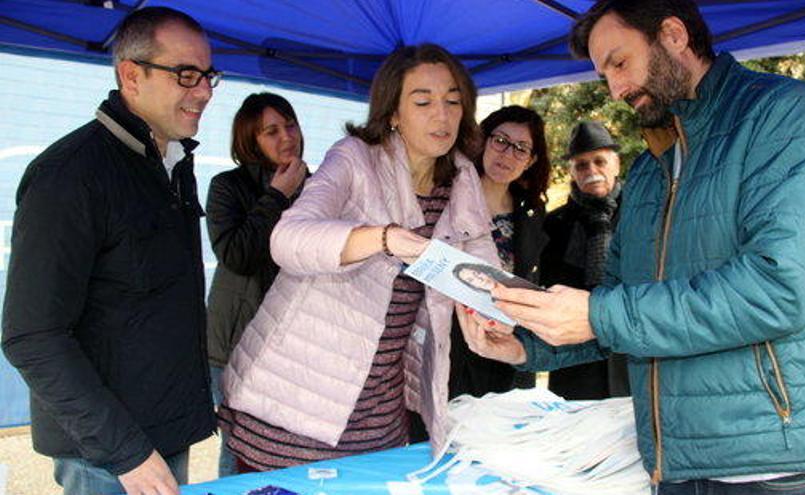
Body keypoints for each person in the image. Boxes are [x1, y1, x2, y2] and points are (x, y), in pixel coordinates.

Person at [459, 0, 805, 492]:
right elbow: (622, 305)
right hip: (672, 464)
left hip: (785, 469)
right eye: (603, 73)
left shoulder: (787, 116)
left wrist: (597, 313)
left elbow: (778, 288)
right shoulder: (653, 170)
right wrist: (524, 346)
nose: (614, 88)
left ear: (674, 35)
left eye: (619, 62)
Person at [217, 43, 499, 472]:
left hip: (379, 417)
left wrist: (493, 312)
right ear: (393, 113)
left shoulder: (461, 177)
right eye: (422, 102)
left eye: (453, 101)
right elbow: (288, 238)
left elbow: (483, 271)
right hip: (293, 402)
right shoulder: (354, 157)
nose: (441, 115)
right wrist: (382, 238)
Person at [1, 7, 219, 495]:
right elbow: (31, 335)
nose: (203, 91)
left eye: (208, 75)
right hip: (108, 456)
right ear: (131, 75)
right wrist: (127, 453)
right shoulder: (70, 175)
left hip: (162, 434)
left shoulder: (170, 163)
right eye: (186, 74)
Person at [205, 92, 308, 477]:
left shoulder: (318, 186)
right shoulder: (227, 187)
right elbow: (237, 255)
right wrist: (277, 196)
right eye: (271, 131)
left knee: (293, 446)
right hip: (238, 343)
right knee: (242, 447)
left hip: (298, 342)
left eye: (291, 125)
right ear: (250, 139)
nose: (287, 137)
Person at [448, 104, 550, 398]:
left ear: (530, 161)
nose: (507, 154)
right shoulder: (450, 195)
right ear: (483, 141)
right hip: (452, 344)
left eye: (521, 148)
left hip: (505, 346)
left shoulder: (532, 212)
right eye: (501, 141)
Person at [541, 121, 630, 400]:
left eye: (599, 161)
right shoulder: (552, 225)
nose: (591, 171)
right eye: (581, 165)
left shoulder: (644, 212)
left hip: (634, 358)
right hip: (574, 364)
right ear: (571, 172)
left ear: (616, 164)